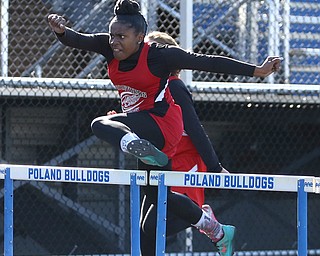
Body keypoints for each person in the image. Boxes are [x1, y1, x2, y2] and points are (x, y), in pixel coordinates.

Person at [47, 1, 281, 255]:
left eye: (121, 37)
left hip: (162, 126)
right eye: (112, 35)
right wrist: (61, 31)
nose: (114, 42)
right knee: (150, 222)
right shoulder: (109, 46)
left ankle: (132, 143)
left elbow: (208, 62)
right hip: (148, 139)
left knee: (99, 124)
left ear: (140, 38)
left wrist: (257, 70)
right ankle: (217, 230)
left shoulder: (159, 55)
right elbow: (79, 40)